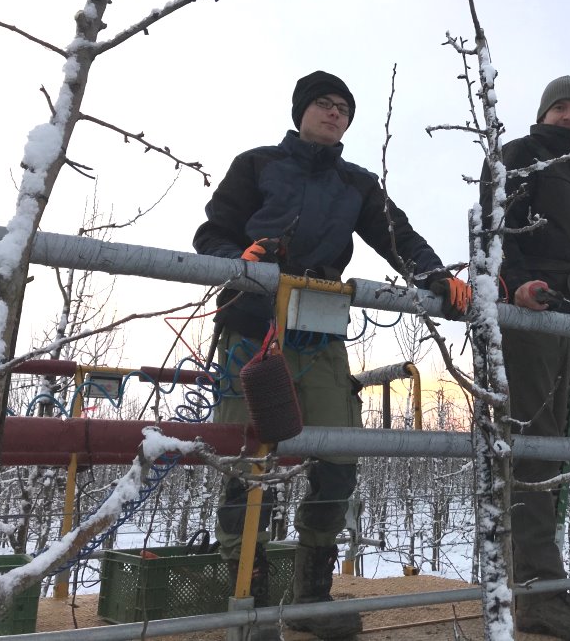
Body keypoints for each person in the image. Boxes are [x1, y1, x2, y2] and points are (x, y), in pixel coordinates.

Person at [194, 70, 469, 640]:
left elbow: (398, 237)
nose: (334, 113)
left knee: (339, 455)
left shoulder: (357, 184)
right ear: (300, 111)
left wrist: (434, 274)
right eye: (323, 104)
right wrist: (236, 257)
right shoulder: (257, 164)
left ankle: (311, 599)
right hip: (252, 327)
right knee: (249, 458)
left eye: (344, 108)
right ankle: (249, 601)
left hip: (319, 333)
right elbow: (211, 234)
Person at [480, 75, 570, 640]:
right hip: (527, 309)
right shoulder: (519, 157)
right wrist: (514, 285)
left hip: (566, 314)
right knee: (531, 444)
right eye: (560, 107)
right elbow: (495, 229)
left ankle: (540, 584)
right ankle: (533, 592)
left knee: (554, 445)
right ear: (543, 112)